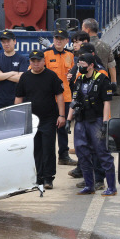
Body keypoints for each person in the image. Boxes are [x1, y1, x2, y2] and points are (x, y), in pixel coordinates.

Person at [66, 53, 117, 196]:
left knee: (102, 152)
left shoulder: (102, 80)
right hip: (81, 120)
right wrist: (69, 120)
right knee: (82, 152)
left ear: (91, 66)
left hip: (96, 120)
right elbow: (74, 101)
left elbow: (107, 103)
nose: (80, 68)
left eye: (83, 65)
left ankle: (111, 187)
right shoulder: (79, 80)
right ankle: (89, 185)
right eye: (79, 65)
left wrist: (105, 123)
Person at [14, 50, 65, 190]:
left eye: (38, 61)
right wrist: (17, 118)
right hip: (31, 119)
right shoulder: (25, 77)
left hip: (49, 118)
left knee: (48, 149)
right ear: (30, 62)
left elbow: (59, 95)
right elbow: (19, 97)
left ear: (44, 61)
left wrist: (61, 115)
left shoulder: (51, 76)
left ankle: (48, 178)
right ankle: (38, 177)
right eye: (33, 61)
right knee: (35, 150)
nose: (36, 64)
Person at [44, 29, 78, 167]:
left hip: (65, 96)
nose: (58, 40)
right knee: (48, 128)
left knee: (63, 128)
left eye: (61, 38)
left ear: (66, 41)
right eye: (56, 38)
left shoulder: (70, 56)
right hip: (49, 97)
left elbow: (73, 74)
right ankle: (47, 155)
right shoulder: (46, 54)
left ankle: (63, 155)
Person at [0, 30, 29, 108]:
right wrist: (12, 73)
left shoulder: (22, 59)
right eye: (3, 42)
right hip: (0, 100)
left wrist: (2, 74)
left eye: (8, 41)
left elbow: (21, 78)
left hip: (16, 100)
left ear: (14, 41)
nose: (6, 44)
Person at [82, 18, 117, 92]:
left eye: (83, 29)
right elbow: (111, 66)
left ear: (87, 30)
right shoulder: (106, 46)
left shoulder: (83, 46)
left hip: (87, 84)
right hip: (103, 82)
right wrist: (114, 83)